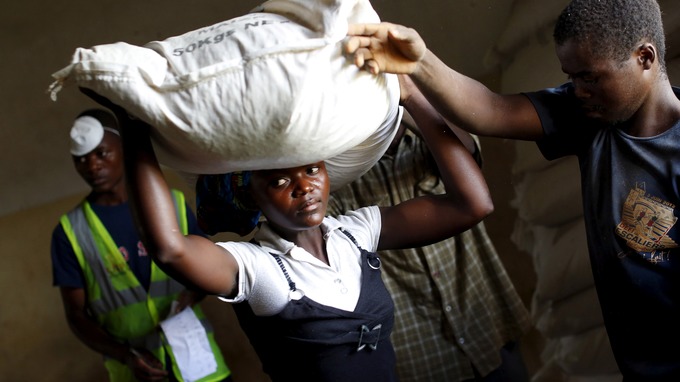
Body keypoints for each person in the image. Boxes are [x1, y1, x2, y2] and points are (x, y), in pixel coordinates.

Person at [344, 0, 680, 380]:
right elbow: (490, 110)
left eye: (590, 77)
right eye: (572, 78)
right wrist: (419, 63)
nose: (579, 90)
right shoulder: (590, 117)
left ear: (645, 58)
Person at [87, 74, 494, 382]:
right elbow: (171, 250)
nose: (305, 187)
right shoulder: (263, 269)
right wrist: (134, 126)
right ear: (251, 198)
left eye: (312, 169)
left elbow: (472, 204)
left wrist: (411, 96)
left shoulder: (355, 233)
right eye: (280, 182)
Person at [327, 113, 531, 382]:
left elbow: (470, 158)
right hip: (420, 350)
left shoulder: (434, 135)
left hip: (483, 325)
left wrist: (408, 98)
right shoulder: (339, 173)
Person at [50, 109, 231, 382]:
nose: (93, 166)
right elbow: (76, 316)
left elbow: (209, 269)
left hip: (199, 363)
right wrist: (125, 355)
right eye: (82, 159)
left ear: (122, 147)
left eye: (101, 153)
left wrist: (192, 295)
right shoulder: (69, 232)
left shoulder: (174, 204)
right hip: (133, 372)